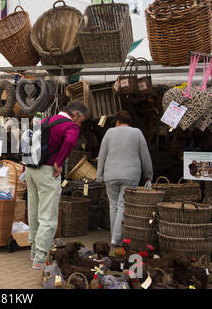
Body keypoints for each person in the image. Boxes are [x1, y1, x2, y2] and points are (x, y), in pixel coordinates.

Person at [25, 101, 88, 270]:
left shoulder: (46, 120)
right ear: (76, 115)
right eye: (81, 120)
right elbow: (69, 143)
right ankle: (39, 259)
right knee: (48, 217)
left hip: (30, 169)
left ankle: (33, 251)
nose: (80, 123)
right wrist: (59, 162)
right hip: (47, 172)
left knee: (34, 212)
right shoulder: (70, 126)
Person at [96, 110, 153, 247]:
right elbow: (145, 155)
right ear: (129, 122)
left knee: (113, 205)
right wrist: (148, 175)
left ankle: (114, 237)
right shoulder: (137, 133)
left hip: (111, 174)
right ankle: (116, 238)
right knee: (122, 205)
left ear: (117, 121)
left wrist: (99, 175)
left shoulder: (109, 133)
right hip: (131, 174)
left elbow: (102, 154)